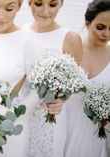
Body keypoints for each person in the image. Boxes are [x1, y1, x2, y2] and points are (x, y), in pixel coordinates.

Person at [0, 0, 63, 156]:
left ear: (19, 6)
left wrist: (12, 116)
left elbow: (38, 89)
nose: (1, 16)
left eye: (9, 8)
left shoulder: (28, 40)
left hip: (9, 128)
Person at [22, 0, 83, 156]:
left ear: (61, 4)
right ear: (29, 2)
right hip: (22, 114)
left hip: (50, 117)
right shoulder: (21, 33)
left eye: (52, 4)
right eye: (38, 3)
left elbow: (74, 80)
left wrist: (62, 99)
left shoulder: (70, 37)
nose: (45, 11)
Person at [64, 0, 110, 156]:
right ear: (88, 23)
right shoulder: (69, 47)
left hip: (92, 134)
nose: (107, 34)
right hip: (63, 126)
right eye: (100, 27)